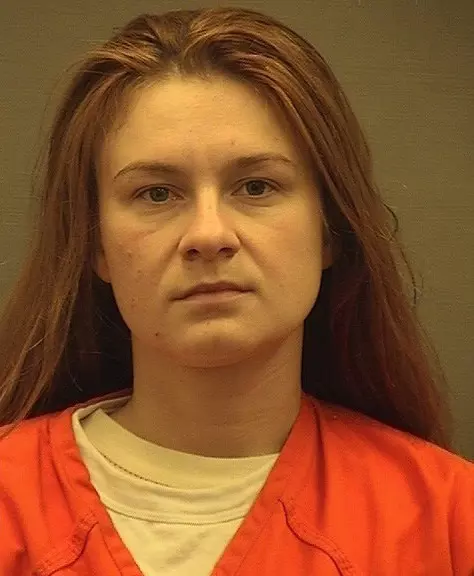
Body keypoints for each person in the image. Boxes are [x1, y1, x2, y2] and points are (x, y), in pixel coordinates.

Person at [0, 5, 472, 575]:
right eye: (156, 193)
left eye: (256, 186)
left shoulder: (449, 519)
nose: (208, 235)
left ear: (329, 230)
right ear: (95, 244)